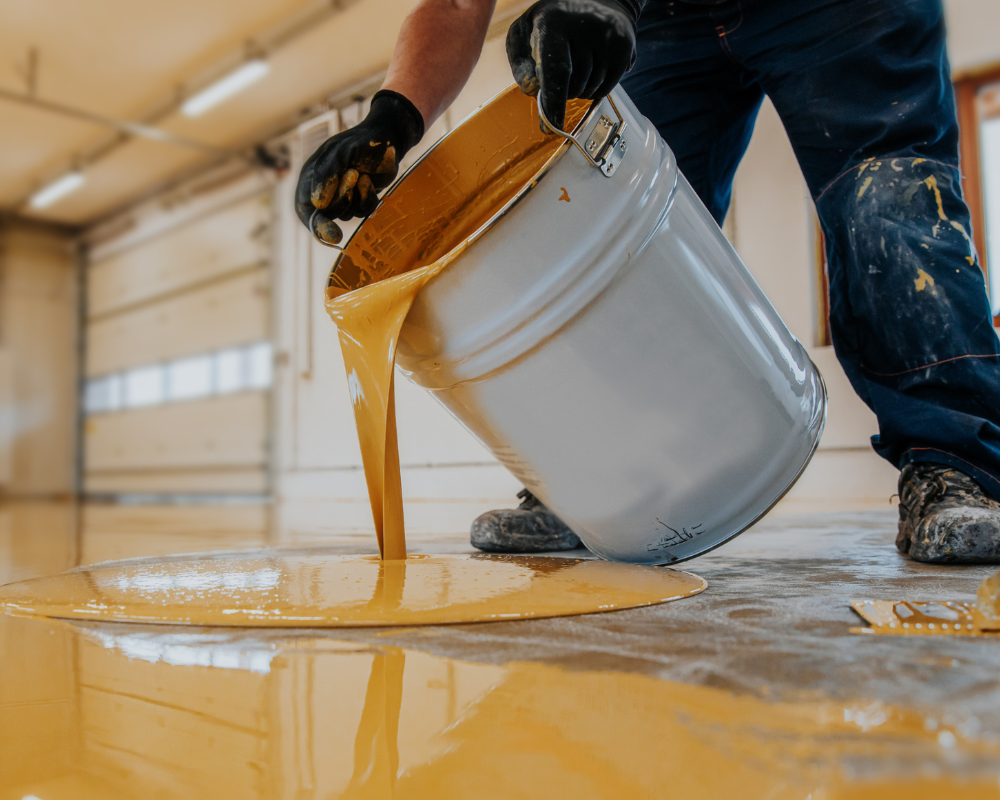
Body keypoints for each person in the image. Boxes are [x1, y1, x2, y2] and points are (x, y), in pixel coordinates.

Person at [296, 0, 1000, 564]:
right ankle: (593, 486)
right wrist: (393, 115)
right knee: (595, 208)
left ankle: (956, 463)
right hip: (670, 16)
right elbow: (454, 5)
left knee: (886, 192)